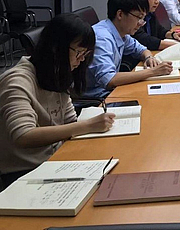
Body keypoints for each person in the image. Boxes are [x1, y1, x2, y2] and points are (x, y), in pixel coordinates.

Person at [0, 14, 116, 189]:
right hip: (23, 173)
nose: (81, 60)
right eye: (79, 53)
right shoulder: (17, 81)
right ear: (55, 48)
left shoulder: (56, 73)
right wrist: (87, 126)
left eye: (85, 54)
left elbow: (69, 121)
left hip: (55, 161)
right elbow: (23, 135)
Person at [86, 0, 173, 98]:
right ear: (120, 14)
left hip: (112, 91)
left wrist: (149, 58)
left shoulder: (121, 32)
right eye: (139, 17)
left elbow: (142, 49)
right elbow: (109, 79)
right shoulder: (102, 38)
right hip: (98, 98)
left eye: (143, 18)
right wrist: (153, 72)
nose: (141, 23)